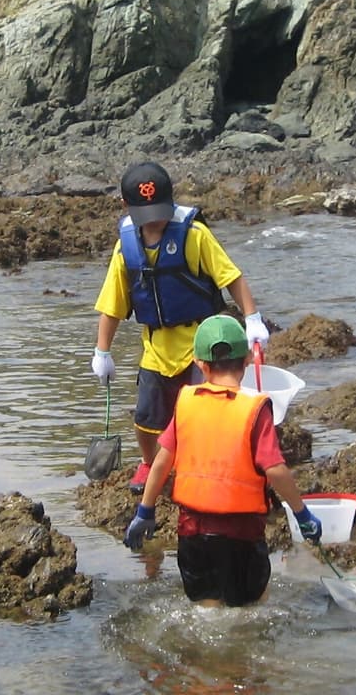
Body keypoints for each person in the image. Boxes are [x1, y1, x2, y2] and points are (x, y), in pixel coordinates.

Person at [91, 162, 268, 493]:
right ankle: (148, 464)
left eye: (160, 210)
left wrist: (252, 318)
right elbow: (111, 305)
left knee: (210, 409)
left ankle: (214, 464)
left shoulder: (194, 235)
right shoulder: (125, 248)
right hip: (157, 346)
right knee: (145, 418)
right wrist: (103, 351)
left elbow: (231, 277)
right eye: (145, 213)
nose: (155, 220)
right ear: (126, 207)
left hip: (201, 343)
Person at [122, 315, 322, 606]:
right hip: (241, 534)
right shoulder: (254, 409)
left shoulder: (186, 401)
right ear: (246, 363)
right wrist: (302, 514)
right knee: (251, 606)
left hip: (193, 534)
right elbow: (275, 470)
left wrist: (145, 510)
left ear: (200, 365)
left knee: (206, 610)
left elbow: (162, 461)